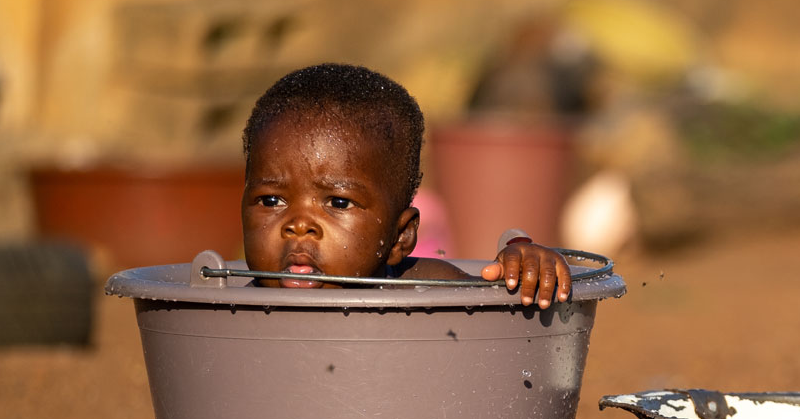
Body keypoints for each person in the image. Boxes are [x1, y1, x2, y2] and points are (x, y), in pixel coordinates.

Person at [241, 63, 571, 308]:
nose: (299, 225)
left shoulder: (419, 289)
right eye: (271, 200)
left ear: (402, 236)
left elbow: (496, 307)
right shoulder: (225, 306)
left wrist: (523, 263)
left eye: (338, 203)